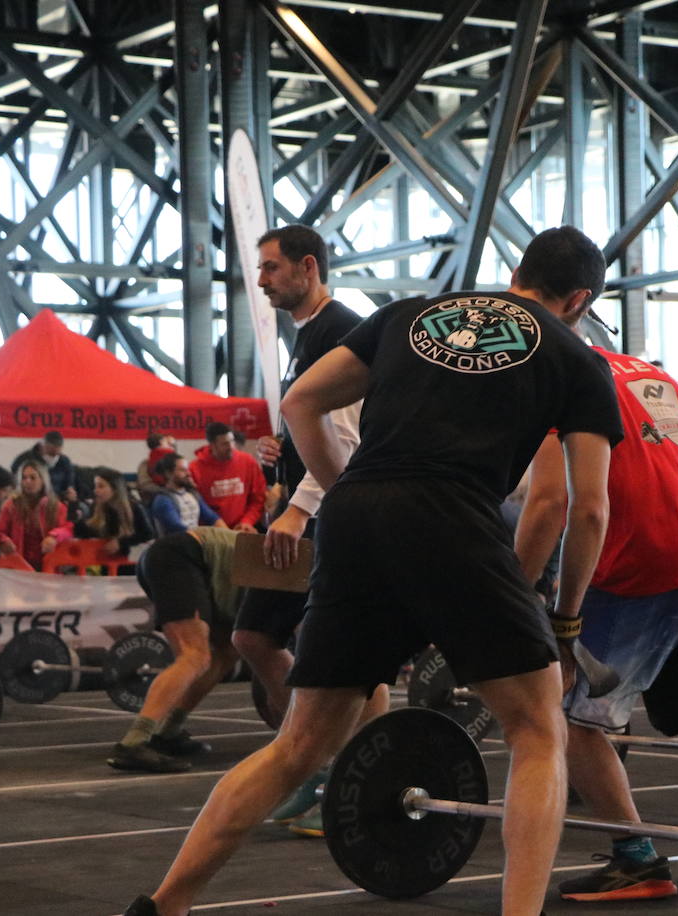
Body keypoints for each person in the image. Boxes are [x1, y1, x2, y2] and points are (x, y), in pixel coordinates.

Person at [120, 226, 623, 916]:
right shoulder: (578, 358)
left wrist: (353, 492)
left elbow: (300, 405)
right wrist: (564, 619)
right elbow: (583, 507)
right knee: (538, 729)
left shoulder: (408, 314)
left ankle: (164, 904)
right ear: (579, 299)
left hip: (355, 517)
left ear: (517, 272)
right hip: (455, 516)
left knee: (298, 744)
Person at [515, 337, 678, 904]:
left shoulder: (557, 378)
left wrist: (519, 594)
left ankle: (635, 860)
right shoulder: (651, 374)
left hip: (645, 562)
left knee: (574, 717)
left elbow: (556, 503)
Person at [231, 224, 367, 837]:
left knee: (343, 657)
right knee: (255, 637)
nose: (260, 280)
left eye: (269, 268)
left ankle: (329, 771)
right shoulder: (310, 336)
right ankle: (322, 765)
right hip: (312, 507)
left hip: (328, 515)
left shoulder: (339, 331)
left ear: (307, 267)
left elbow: (348, 437)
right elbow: (322, 424)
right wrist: (283, 448)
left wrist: (300, 506)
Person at [106, 527, 245, 773]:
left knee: (227, 651)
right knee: (195, 655)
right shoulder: (303, 581)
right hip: (180, 556)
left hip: (187, 562)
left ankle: (168, 732)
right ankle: (134, 742)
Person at [189, 422, 267, 532]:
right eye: (225, 444)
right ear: (212, 445)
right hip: (212, 532)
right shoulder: (195, 469)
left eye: (232, 441)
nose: (231, 447)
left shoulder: (247, 462)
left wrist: (246, 522)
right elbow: (197, 505)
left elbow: (258, 498)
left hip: (243, 529)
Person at [0, 460, 71, 570]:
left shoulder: (56, 506)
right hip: (18, 564)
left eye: (33, 478)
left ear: (43, 480)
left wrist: (54, 537)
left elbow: (68, 528)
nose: (28, 481)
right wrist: (4, 540)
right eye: (24, 478)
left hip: (49, 565)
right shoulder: (11, 505)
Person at [73, 467, 153, 561]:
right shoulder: (97, 508)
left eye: (101, 486)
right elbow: (86, 530)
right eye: (95, 486)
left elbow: (147, 534)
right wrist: (74, 514)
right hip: (104, 563)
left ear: (115, 489)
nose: (95, 491)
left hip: (129, 563)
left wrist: (121, 543)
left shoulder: (134, 508)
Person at [150, 454, 225, 535]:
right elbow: (176, 527)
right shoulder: (163, 499)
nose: (188, 473)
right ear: (168, 473)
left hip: (194, 541)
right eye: (183, 470)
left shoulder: (193, 494)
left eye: (188, 470)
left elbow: (211, 517)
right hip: (176, 544)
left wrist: (230, 535)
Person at [12, 430, 76, 501]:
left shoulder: (64, 461)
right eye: (50, 454)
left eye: (56, 454)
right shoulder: (24, 459)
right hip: (31, 498)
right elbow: (14, 481)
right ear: (42, 446)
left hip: (58, 499)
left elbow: (69, 483)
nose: (53, 458)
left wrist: (70, 491)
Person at [136, 432, 176, 505]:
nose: (171, 447)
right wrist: (166, 491)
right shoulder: (145, 464)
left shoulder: (178, 463)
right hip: (155, 498)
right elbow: (145, 485)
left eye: (173, 445)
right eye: (168, 444)